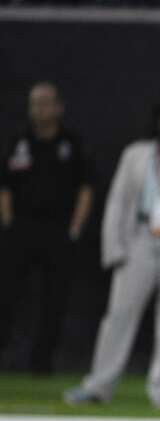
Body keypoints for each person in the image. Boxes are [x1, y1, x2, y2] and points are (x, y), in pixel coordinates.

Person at [64, 92, 160, 408]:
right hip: (139, 237)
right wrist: (116, 248)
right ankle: (98, 385)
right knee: (119, 315)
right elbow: (118, 202)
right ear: (157, 121)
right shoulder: (136, 154)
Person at [0, 81, 94, 374]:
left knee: (53, 301)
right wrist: (8, 223)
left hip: (57, 231)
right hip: (23, 229)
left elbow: (85, 187)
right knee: (7, 296)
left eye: (45, 102)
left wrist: (75, 228)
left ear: (58, 107)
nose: (39, 109)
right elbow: (5, 187)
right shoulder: (19, 142)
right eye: (35, 103)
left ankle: (41, 363)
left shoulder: (71, 144)